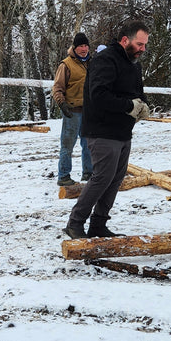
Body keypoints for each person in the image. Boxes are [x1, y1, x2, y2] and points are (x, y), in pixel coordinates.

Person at [64, 21, 151, 239]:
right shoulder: (105, 60)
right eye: (139, 44)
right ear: (125, 40)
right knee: (101, 178)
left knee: (115, 179)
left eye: (144, 45)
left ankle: (98, 224)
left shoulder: (134, 64)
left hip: (123, 132)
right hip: (101, 131)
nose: (142, 49)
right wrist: (129, 106)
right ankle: (75, 223)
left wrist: (144, 105)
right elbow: (99, 95)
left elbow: (137, 92)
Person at [53, 32, 93, 187]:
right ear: (74, 48)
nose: (83, 49)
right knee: (67, 145)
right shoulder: (66, 65)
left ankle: (88, 173)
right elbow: (57, 88)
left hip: (89, 110)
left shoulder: (91, 63)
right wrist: (62, 104)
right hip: (72, 111)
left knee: (89, 144)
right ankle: (63, 176)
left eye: (85, 46)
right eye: (80, 46)